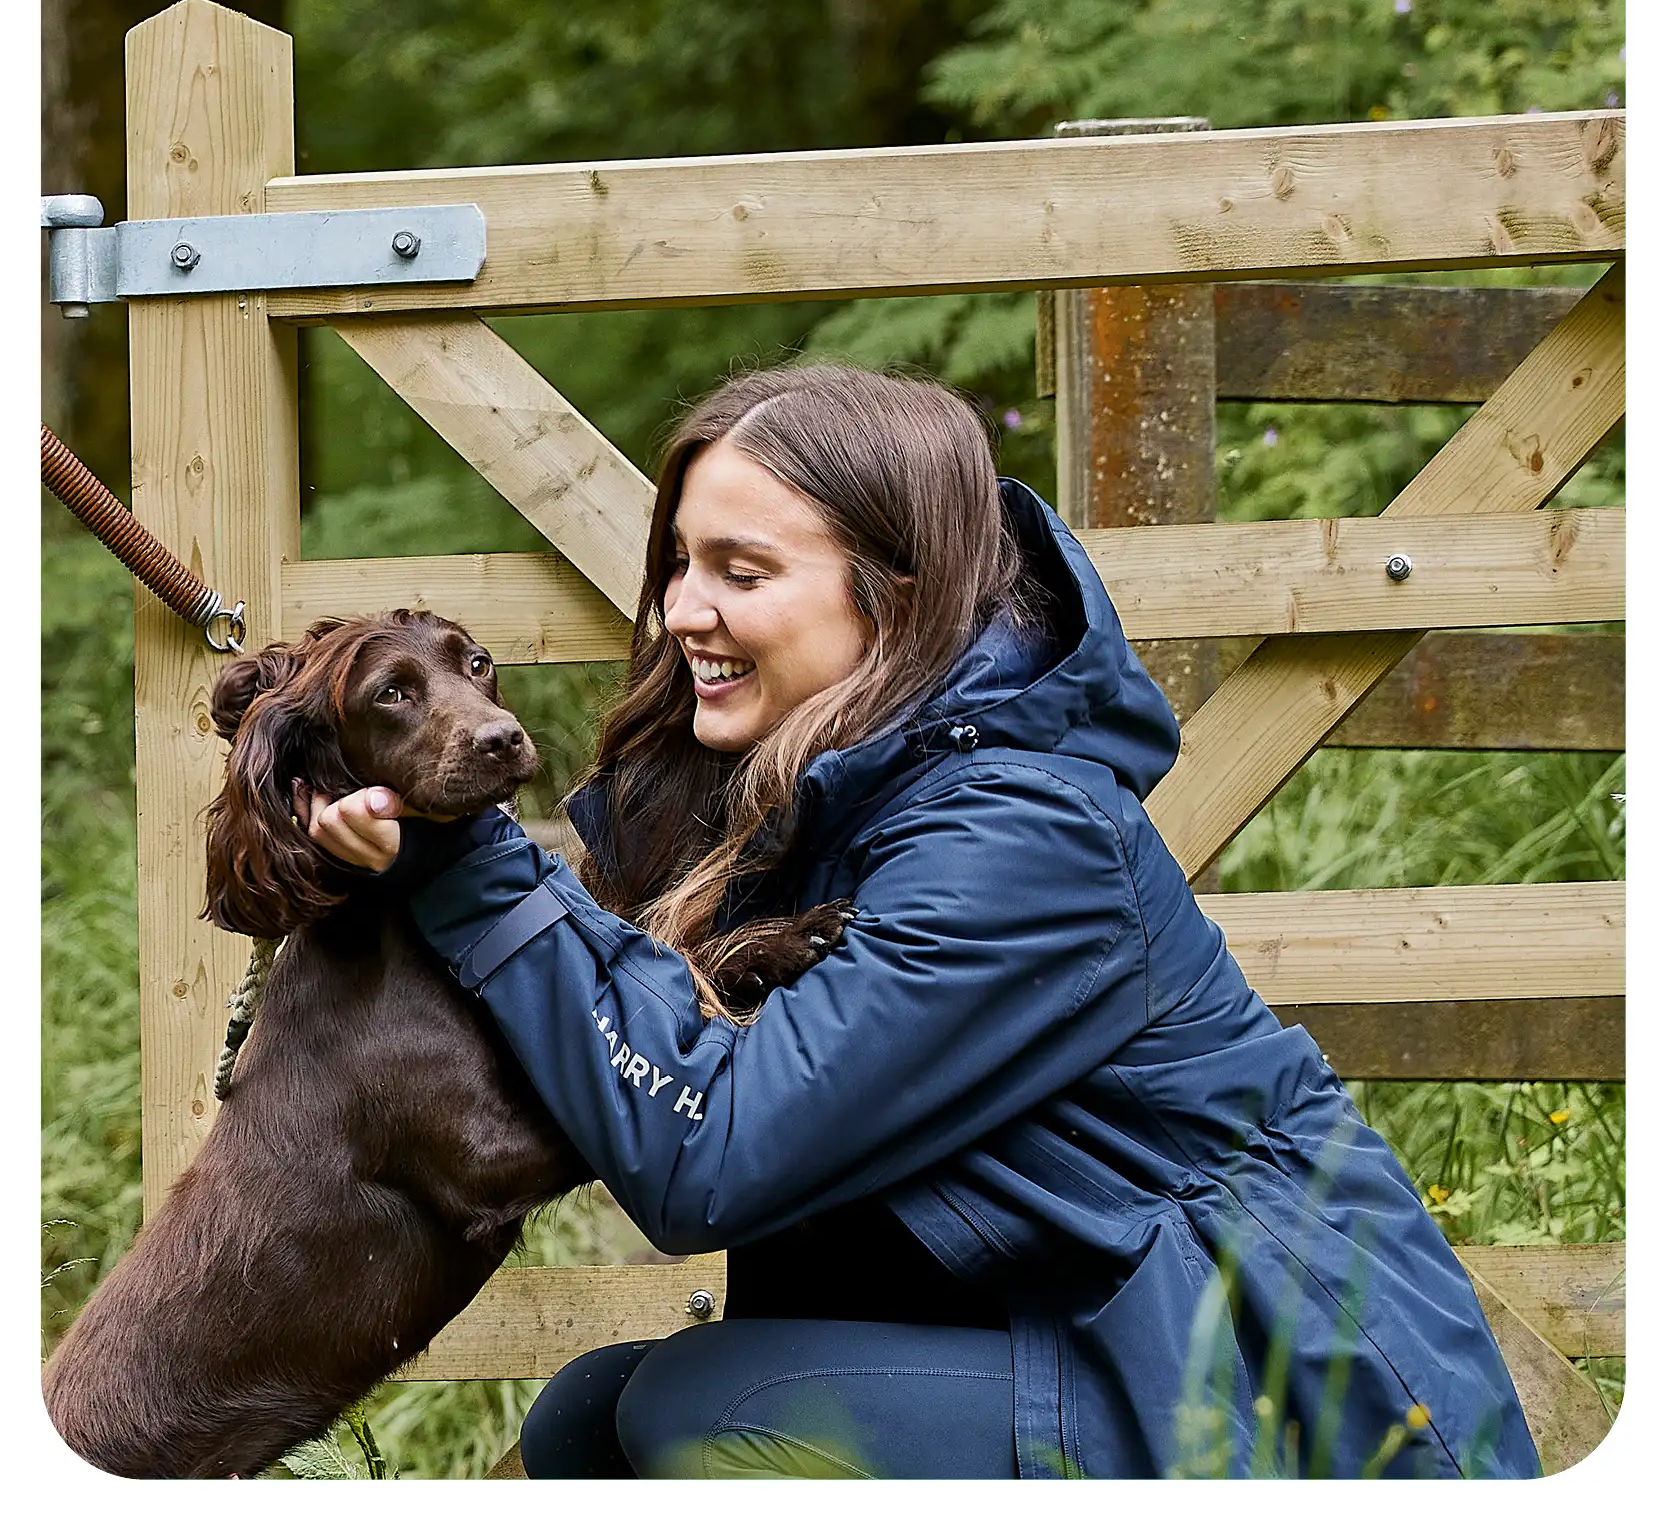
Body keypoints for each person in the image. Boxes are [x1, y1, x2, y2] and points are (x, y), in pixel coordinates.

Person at [300, 362, 1539, 1480]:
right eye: (678, 561)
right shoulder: (805, 795)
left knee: (706, 1409)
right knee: (588, 1419)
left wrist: (475, 867)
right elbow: (606, 1019)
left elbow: (708, 1157)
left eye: (741, 571)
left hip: (1296, 1409)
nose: (681, 610)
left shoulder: (1018, 838)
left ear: (893, 596)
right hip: (1076, 1334)